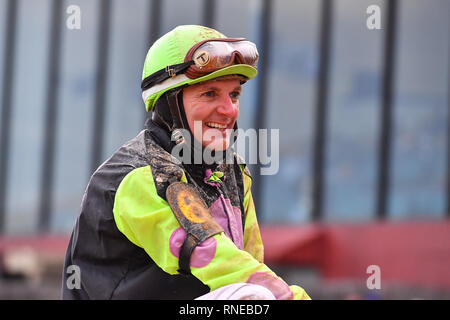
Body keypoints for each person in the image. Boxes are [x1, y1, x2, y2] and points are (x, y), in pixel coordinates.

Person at [62, 25, 310, 300]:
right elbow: (210, 255)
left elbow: (250, 264)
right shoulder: (137, 175)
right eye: (209, 94)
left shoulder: (234, 173)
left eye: (234, 95)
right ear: (169, 103)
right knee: (254, 297)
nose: (228, 110)